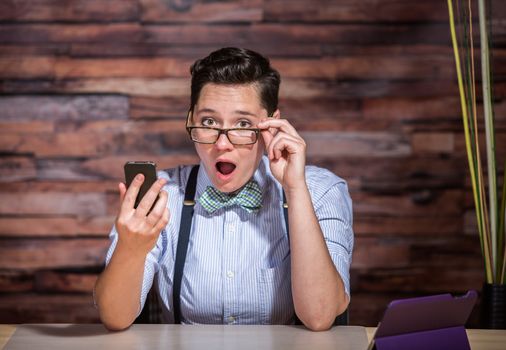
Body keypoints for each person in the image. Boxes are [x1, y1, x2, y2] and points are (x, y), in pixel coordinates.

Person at [94, 47, 354, 332]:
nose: (222, 144)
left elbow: (320, 316)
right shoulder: (160, 195)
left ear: (272, 125)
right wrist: (131, 249)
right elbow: (115, 317)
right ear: (191, 118)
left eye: (243, 124)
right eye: (208, 122)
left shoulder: (321, 191)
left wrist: (295, 190)